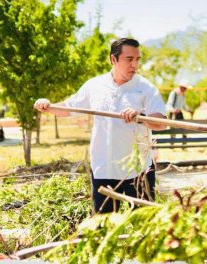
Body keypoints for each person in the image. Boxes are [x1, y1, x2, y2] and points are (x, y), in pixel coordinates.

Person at [34, 38, 167, 213]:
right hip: (104, 168)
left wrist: (140, 117)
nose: (134, 64)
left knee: (143, 227)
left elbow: (161, 123)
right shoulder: (95, 86)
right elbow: (69, 108)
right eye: (129, 59)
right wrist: (47, 106)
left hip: (138, 170)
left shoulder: (146, 88)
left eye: (137, 59)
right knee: (102, 228)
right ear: (113, 60)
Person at [166, 79, 193, 144]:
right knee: (173, 130)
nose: (185, 90)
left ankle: (184, 143)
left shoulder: (183, 95)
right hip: (173, 113)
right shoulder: (174, 93)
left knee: (184, 128)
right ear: (181, 87)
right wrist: (173, 110)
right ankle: (172, 144)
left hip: (179, 113)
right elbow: (168, 105)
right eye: (184, 88)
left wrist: (189, 110)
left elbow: (183, 106)